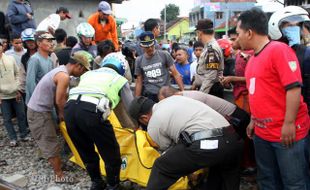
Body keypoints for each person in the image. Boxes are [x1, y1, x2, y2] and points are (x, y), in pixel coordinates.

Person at [237, 8, 310, 189]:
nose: (237, 38)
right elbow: (258, 92)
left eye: (238, 33)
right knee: (267, 181)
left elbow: (293, 88)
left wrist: (289, 123)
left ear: (249, 32)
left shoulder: (279, 50)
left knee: (294, 183)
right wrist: (254, 120)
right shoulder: (253, 60)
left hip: (286, 134)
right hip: (263, 134)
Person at [128, 95, 243, 189]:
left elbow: (168, 151)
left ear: (144, 118)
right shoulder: (172, 99)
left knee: (161, 166)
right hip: (233, 138)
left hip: (209, 143)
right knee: (222, 177)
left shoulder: (154, 123)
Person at [64, 55, 134, 190]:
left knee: (86, 150)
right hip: (92, 112)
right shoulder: (120, 79)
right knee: (111, 152)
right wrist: (136, 124)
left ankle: (96, 182)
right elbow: (131, 107)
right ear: (122, 69)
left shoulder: (88, 74)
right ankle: (113, 185)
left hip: (70, 110)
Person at [27, 50, 90, 183]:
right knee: (50, 141)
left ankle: (58, 166)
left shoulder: (61, 70)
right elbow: (60, 100)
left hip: (42, 110)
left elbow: (61, 97)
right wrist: (64, 115)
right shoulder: (64, 76)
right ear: (78, 66)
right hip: (38, 112)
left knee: (52, 138)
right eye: (83, 70)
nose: (82, 74)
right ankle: (59, 175)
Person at [158, 86, 250, 139]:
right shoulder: (184, 96)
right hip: (231, 118)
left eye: (166, 102)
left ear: (173, 96)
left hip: (236, 118)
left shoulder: (190, 100)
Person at [268, 6, 310, 113]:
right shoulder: (271, 53)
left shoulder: (306, 53)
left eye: (297, 25)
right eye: (290, 25)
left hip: (302, 112)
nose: (295, 28)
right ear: (277, 28)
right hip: (277, 111)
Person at [134, 31, 184, 102]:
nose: (150, 48)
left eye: (152, 45)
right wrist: (137, 99)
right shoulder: (139, 60)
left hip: (165, 94)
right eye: (147, 47)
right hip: (150, 95)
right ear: (142, 46)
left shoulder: (164, 55)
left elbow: (175, 74)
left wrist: (183, 92)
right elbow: (139, 81)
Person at [0, 41, 30, 147]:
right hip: (2, 96)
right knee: (7, 118)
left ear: (2, 47)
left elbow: (18, 74)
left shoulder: (10, 58)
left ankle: (24, 135)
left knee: (21, 115)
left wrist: (18, 89)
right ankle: (13, 138)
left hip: (16, 93)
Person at [192, 19, 225, 98]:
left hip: (211, 91)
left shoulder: (211, 49)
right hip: (209, 89)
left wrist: (201, 95)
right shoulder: (209, 47)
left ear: (199, 33)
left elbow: (210, 76)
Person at [26, 32, 58, 103]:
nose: (51, 44)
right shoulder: (35, 59)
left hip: (48, 100)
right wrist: (36, 100)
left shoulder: (50, 60)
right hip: (37, 102)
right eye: (48, 41)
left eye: (52, 41)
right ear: (39, 43)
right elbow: (30, 82)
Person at [20, 28, 37, 101]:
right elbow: (22, 75)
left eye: (32, 41)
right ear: (24, 43)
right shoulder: (24, 58)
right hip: (30, 91)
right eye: (28, 41)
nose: (30, 43)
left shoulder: (46, 54)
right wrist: (20, 90)